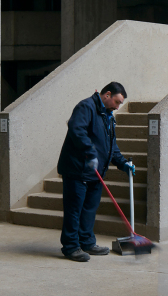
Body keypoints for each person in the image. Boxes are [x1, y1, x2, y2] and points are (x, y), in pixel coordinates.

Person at [57, 82, 135, 261]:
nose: (117, 107)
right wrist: (90, 153)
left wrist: (122, 163)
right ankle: (70, 247)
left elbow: (110, 145)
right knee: (74, 210)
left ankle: (87, 242)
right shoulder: (86, 107)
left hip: (96, 172)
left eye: (120, 104)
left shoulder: (107, 116)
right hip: (77, 170)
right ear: (107, 95)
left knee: (90, 210)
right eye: (116, 102)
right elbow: (77, 130)